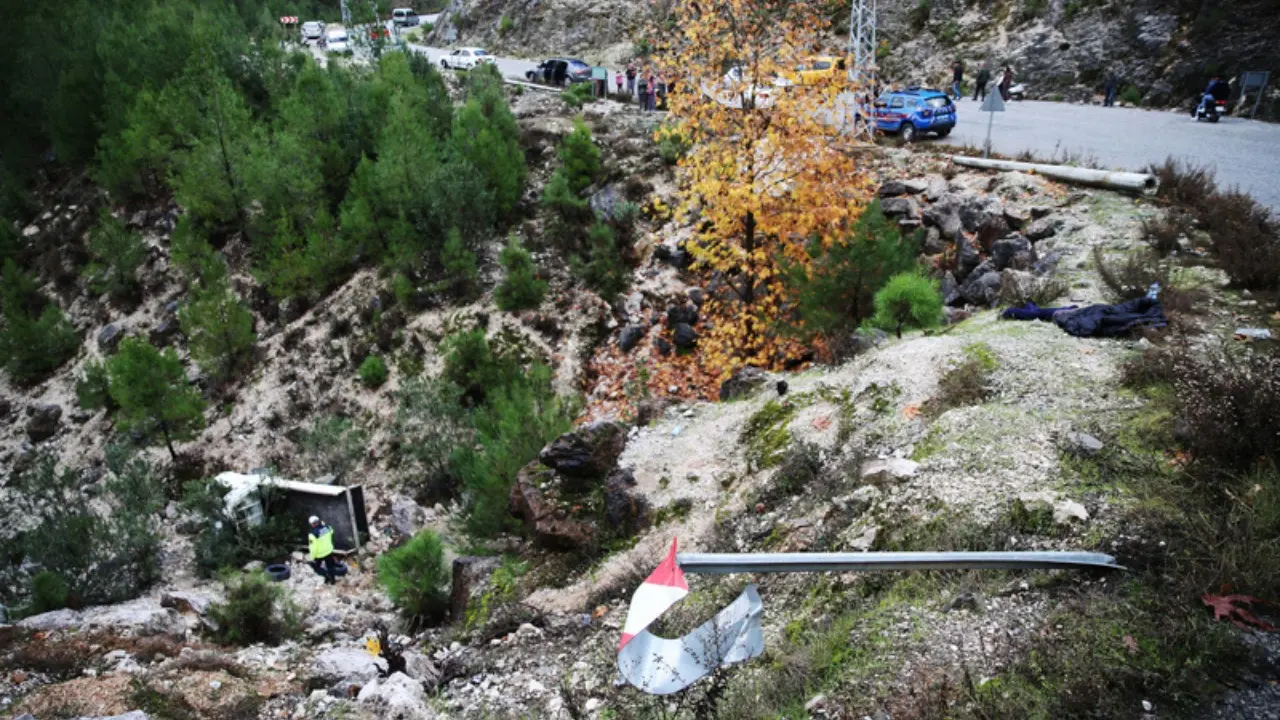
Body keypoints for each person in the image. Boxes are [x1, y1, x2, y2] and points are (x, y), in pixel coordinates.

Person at [307, 516, 339, 585]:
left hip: (319, 554)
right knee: (330, 566)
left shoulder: (312, 534)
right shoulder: (327, 527)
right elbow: (332, 531)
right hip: (328, 551)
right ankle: (333, 581)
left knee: (316, 568)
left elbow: (313, 547)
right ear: (318, 521)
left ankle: (326, 576)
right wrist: (324, 524)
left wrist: (313, 556)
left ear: (312, 524)